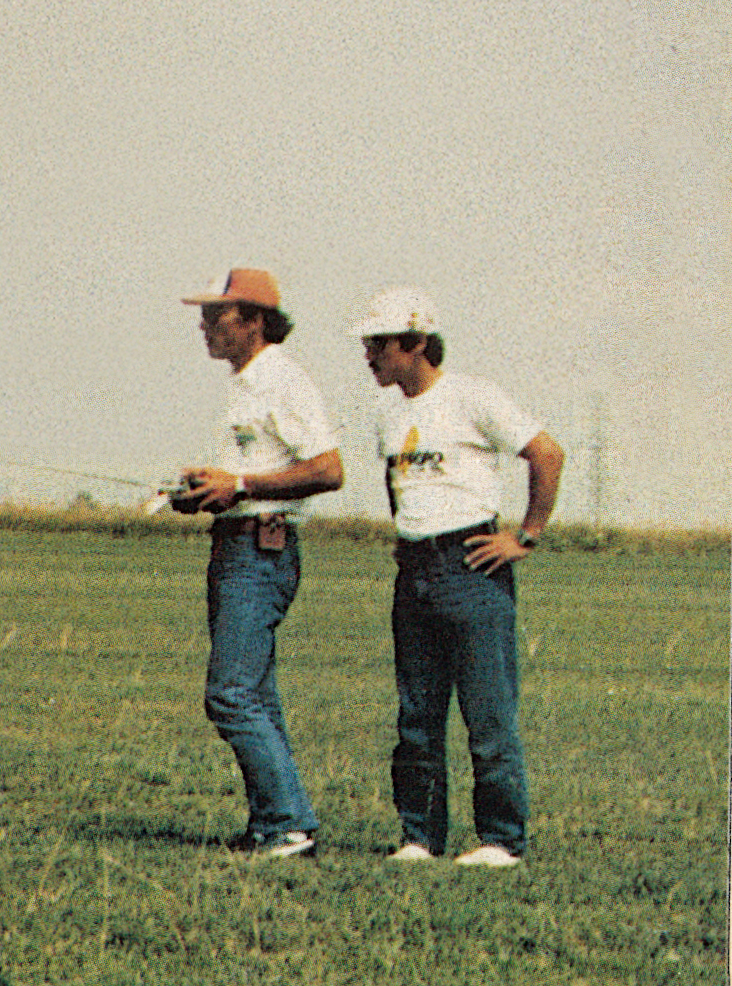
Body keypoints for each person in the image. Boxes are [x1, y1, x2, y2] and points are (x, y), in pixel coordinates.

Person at [354, 287, 563, 867]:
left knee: (487, 712)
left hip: (470, 566)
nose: (369, 355)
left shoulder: (473, 398)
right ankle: (419, 836)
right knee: (416, 714)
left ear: (416, 343)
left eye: (379, 344)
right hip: (414, 569)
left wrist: (525, 535)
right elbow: (396, 484)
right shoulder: (387, 414)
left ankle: (500, 839)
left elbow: (546, 452)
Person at [172, 268, 345, 859]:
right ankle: (276, 821)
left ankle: (290, 826)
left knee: (230, 695)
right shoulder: (246, 384)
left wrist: (239, 484)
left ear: (252, 320)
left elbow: (328, 470)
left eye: (216, 316)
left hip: (260, 550)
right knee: (256, 695)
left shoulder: (282, 380)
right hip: (235, 543)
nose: (204, 326)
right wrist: (210, 491)